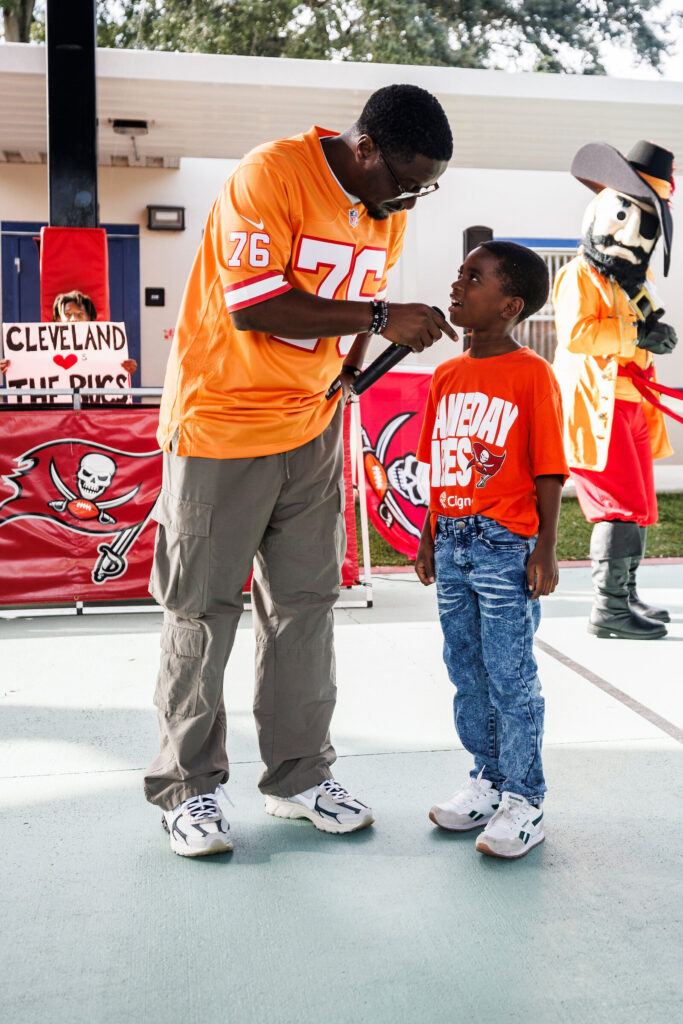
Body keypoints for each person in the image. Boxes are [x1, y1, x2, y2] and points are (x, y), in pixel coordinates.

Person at [146, 84, 455, 857]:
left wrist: (349, 372)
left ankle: (298, 776)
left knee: (304, 608)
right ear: (363, 150)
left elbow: (357, 295)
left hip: (311, 427)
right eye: (405, 178)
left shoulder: (385, 207)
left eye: (426, 185)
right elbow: (255, 306)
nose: (412, 196)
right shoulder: (269, 175)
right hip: (220, 427)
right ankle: (188, 791)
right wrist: (383, 321)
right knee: (202, 612)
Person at [415, 241, 568, 860]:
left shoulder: (533, 374)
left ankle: (525, 800)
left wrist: (546, 548)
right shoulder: (446, 375)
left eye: (473, 278)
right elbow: (436, 463)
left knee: (511, 675)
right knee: (465, 669)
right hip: (451, 540)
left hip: (506, 546)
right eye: (458, 275)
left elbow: (549, 470)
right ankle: (488, 778)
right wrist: (428, 536)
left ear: (509, 304)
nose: (458, 286)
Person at [552, 141, 677, 640]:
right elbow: (578, 334)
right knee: (617, 504)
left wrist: (656, 336)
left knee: (640, 502)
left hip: (631, 405)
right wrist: (635, 336)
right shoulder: (578, 275)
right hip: (596, 408)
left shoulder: (631, 281)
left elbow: (643, 327)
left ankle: (625, 593)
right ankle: (608, 608)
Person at [0, 289, 138, 377]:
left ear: (89, 318)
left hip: (90, 417)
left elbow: (111, 373)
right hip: (56, 416)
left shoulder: (105, 347)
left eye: (80, 314)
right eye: (68, 314)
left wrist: (125, 368)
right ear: (58, 318)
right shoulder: (40, 347)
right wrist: (15, 368)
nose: (73, 319)